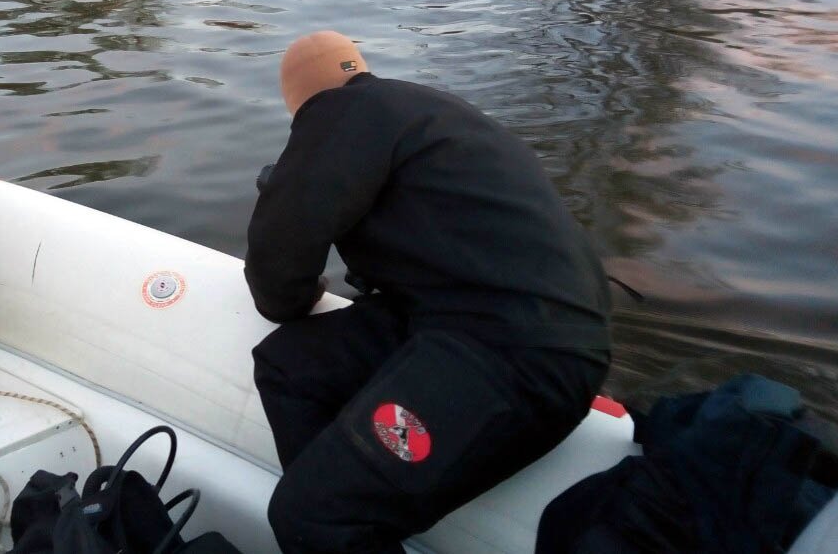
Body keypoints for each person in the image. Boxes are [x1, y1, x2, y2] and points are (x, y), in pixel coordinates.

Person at [245, 31, 612, 554]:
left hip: (512, 351)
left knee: (311, 518)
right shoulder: (421, 108)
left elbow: (278, 265)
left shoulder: (337, 115)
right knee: (289, 366)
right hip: (483, 317)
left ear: (298, 99)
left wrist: (298, 295)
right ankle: (355, 489)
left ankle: (337, 513)